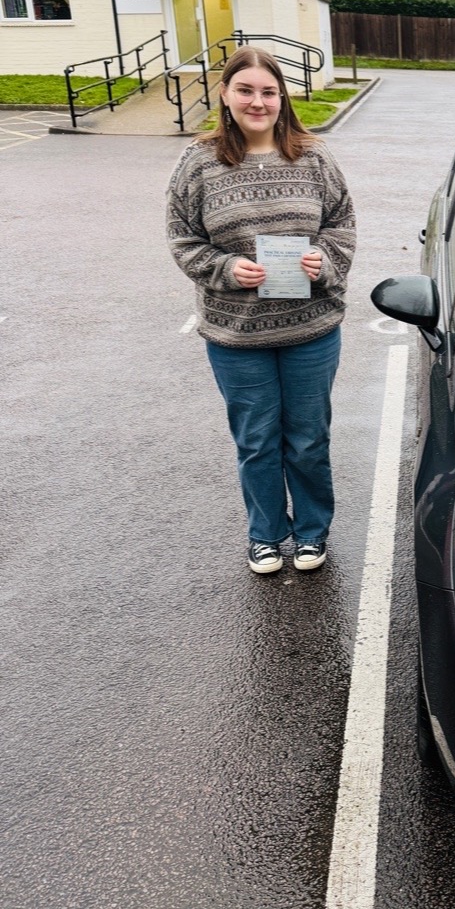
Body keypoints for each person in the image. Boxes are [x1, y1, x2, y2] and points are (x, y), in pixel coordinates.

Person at [166, 46, 356, 574]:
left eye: (268, 92)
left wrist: (325, 260)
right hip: (236, 335)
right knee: (256, 441)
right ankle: (266, 535)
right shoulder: (199, 162)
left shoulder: (314, 157)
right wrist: (227, 269)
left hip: (311, 331)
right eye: (245, 90)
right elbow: (182, 239)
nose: (258, 102)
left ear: (282, 97)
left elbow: (342, 223)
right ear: (225, 95)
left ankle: (312, 532)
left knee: (309, 439)